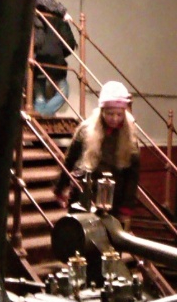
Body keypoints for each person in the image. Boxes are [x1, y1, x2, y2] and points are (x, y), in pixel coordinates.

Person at [54, 80, 140, 223]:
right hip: (84, 197)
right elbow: (69, 160)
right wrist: (60, 188)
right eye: (110, 114)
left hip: (114, 201)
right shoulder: (86, 130)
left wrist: (126, 208)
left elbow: (132, 176)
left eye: (119, 114)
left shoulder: (130, 137)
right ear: (102, 111)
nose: (115, 119)